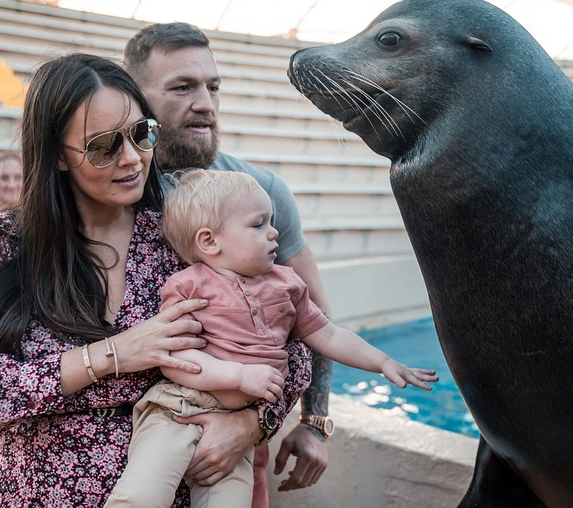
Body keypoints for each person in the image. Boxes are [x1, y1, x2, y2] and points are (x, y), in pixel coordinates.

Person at [0, 22, 337, 504]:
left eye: (142, 133)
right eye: (103, 146)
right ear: (56, 156)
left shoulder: (186, 237)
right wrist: (109, 356)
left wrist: (251, 421)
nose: (133, 158)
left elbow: (292, 343)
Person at [106, 169, 437, 508]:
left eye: (270, 222)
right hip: (177, 409)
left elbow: (329, 334)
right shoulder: (188, 286)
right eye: (258, 224)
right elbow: (175, 360)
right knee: (140, 497)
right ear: (209, 241)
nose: (274, 232)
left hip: (238, 430)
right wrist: (240, 376)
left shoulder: (287, 284)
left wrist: (382, 362)